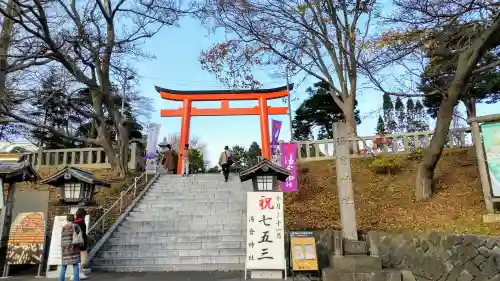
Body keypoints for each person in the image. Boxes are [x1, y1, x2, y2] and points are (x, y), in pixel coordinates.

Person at [60, 214, 83, 281]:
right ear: (74, 219)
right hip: (74, 249)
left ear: (67, 219)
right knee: (75, 265)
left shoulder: (64, 227)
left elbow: (62, 239)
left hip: (65, 250)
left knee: (63, 266)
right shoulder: (76, 226)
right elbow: (79, 237)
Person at [74, 208, 89, 279]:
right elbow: (82, 233)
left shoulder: (75, 221)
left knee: (78, 258)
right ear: (82, 215)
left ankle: (78, 272)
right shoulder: (81, 222)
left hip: (76, 242)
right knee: (83, 259)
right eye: (84, 215)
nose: (85, 216)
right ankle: (79, 273)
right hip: (82, 242)